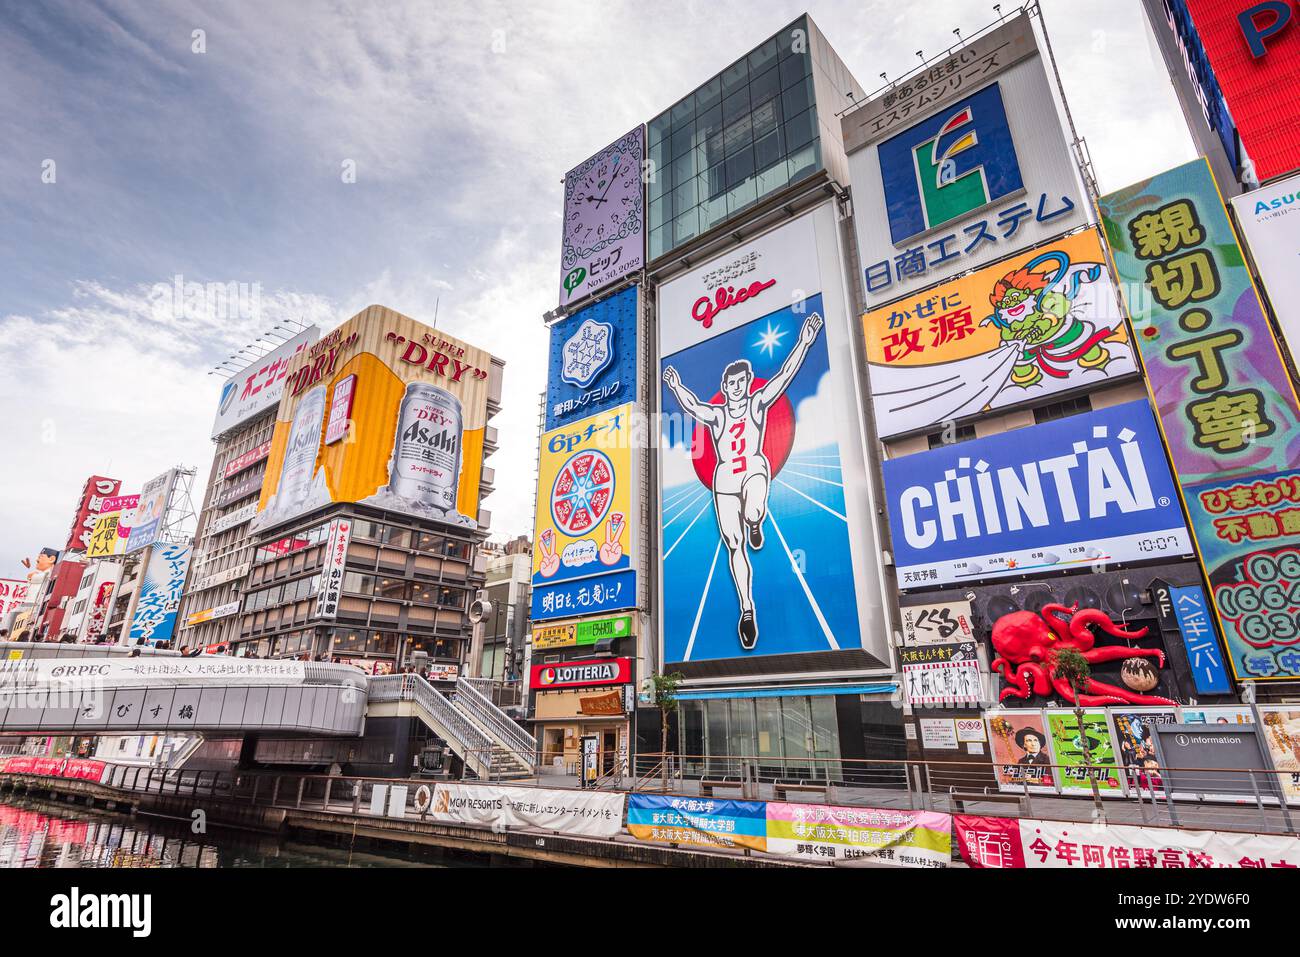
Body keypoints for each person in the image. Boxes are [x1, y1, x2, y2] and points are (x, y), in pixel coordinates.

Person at [662, 311, 824, 650]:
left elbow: (784, 376)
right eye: (732, 384)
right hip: (725, 479)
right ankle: (746, 609)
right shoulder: (718, 414)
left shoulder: (757, 404)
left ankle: (755, 521)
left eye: (742, 383)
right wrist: (676, 386)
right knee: (733, 545)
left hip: (752, 468)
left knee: (752, 511)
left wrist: (805, 342)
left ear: (747, 384)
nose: (737, 388)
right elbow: (693, 406)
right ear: (725, 387)